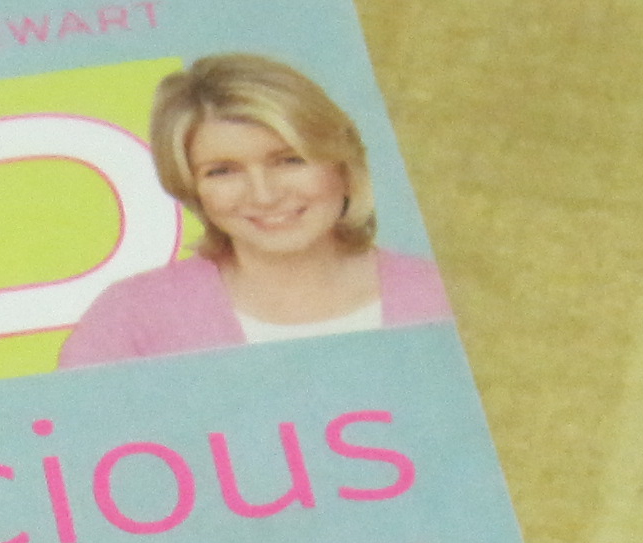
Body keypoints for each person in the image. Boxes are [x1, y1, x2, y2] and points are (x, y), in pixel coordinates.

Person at [58, 53, 449, 368]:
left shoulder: (441, 294)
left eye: (290, 160)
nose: (264, 196)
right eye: (222, 171)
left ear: (342, 164)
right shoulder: (131, 318)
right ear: (191, 186)